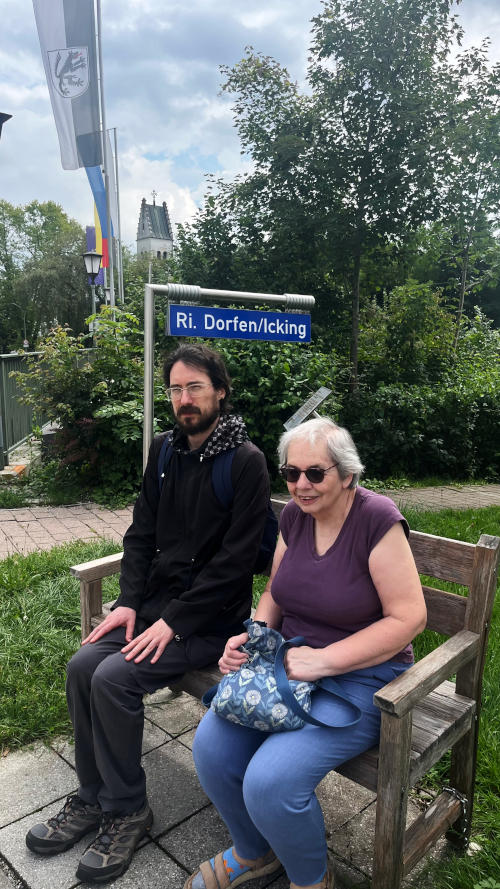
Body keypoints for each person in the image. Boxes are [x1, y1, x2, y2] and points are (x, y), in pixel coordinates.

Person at [26, 343, 271, 883]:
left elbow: (234, 567)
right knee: (81, 665)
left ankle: (129, 810)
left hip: (211, 624)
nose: (184, 400)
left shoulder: (246, 464)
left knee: (113, 679)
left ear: (220, 392)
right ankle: (93, 798)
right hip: (155, 608)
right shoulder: (164, 452)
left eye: (195, 388)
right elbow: (140, 536)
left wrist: (175, 621)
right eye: (176, 389)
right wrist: (130, 603)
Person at [188, 417, 427, 889]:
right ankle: (255, 852)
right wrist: (252, 638)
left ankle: (311, 878)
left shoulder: (376, 520)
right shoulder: (294, 518)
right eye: (291, 473)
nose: (301, 484)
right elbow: (277, 589)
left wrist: (324, 661)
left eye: (315, 473)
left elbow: (408, 620)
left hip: (363, 680)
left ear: (346, 474)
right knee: (211, 750)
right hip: (288, 667)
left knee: (271, 782)